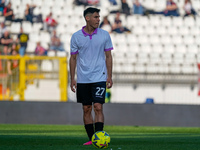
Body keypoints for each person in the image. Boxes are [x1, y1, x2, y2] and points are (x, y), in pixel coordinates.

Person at [69, 7, 113, 145]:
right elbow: (73, 59)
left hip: (99, 77)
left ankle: (99, 137)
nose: (98, 19)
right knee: (86, 108)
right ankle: (91, 139)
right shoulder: (76, 36)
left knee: (98, 107)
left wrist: (109, 76)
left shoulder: (104, 35)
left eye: (98, 17)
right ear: (87, 18)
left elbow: (108, 56)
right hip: (83, 79)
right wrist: (72, 78)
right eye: (95, 17)